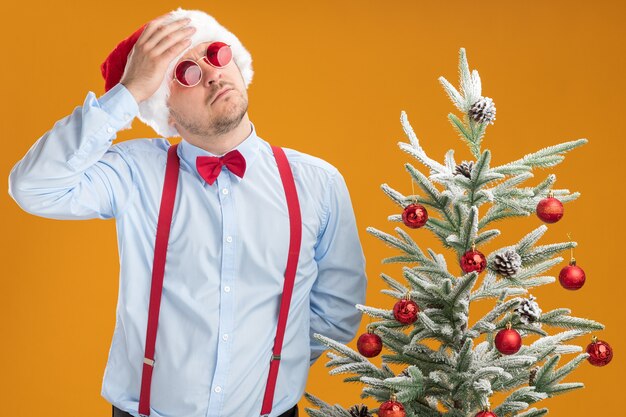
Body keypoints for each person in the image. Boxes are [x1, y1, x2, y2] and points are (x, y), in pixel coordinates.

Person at [8, 8, 367, 417]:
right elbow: (33, 186)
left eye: (215, 53)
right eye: (187, 73)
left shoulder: (317, 183)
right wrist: (127, 92)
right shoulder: (135, 172)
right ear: (167, 114)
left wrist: (273, 366)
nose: (212, 74)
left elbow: (338, 308)